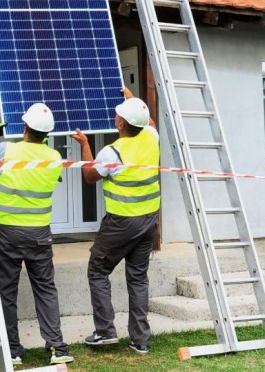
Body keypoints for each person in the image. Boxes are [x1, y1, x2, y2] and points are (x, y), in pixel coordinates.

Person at [0, 103, 74, 366]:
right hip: (39, 234)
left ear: (25, 127)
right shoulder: (54, 158)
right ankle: (57, 348)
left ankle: (14, 351)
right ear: (47, 134)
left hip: (7, 233)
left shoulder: (7, 150)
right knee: (45, 289)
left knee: (7, 289)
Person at [70, 88, 160, 356]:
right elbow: (150, 122)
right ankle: (140, 340)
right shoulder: (151, 137)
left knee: (98, 270)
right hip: (148, 220)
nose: (115, 114)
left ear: (121, 124)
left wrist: (85, 145)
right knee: (138, 277)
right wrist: (133, 100)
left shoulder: (113, 152)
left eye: (119, 113)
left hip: (121, 222)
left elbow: (89, 176)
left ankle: (105, 331)